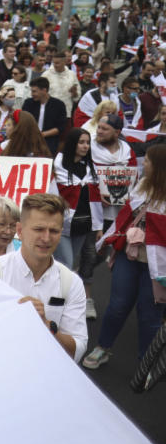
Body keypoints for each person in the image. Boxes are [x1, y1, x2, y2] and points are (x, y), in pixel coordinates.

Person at [0, 193, 87, 361]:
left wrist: (47, 326)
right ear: (20, 231)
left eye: (54, 231)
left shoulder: (71, 283)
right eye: (39, 229)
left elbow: (77, 351)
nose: (46, 238)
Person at [86, 144, 166, 368]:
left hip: (158, 266)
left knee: (149, 314)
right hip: (129, 256)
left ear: (158, 166)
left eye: (148, 160)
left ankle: (146, 363)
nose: (144, 163)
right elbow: (125, 217)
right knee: (118, 305)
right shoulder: (142, 185)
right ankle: (102, 347)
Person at [52, 128, 103, 318]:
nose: (85, 146)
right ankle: (60, 304)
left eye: (87, 142)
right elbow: (52, 196)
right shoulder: (56, 165)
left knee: (68, 264)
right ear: (73, 143)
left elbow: (95, 199)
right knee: (66, 264)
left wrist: (97, 227)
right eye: (81, 142)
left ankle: (61, 301)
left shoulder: (90, 167)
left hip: (83, 225)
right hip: (62, 226)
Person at [22, 77, 67, 155]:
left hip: (49, 140)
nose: (32, 94)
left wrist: (42, 135)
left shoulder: (59, 105)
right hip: (29, 139)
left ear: (44, 90)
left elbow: (60, 127)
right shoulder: (28, 103)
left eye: (34, 91)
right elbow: (23, 122)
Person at [42, 49, 79, 120]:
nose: (55, 65)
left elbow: (76, 98)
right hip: (49, 112)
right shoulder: (46, 75)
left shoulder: (72, 75)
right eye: (54, 63)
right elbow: (41, 93)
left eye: (57, 63)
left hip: (66, 113)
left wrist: (74, 92)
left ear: (64, 62)